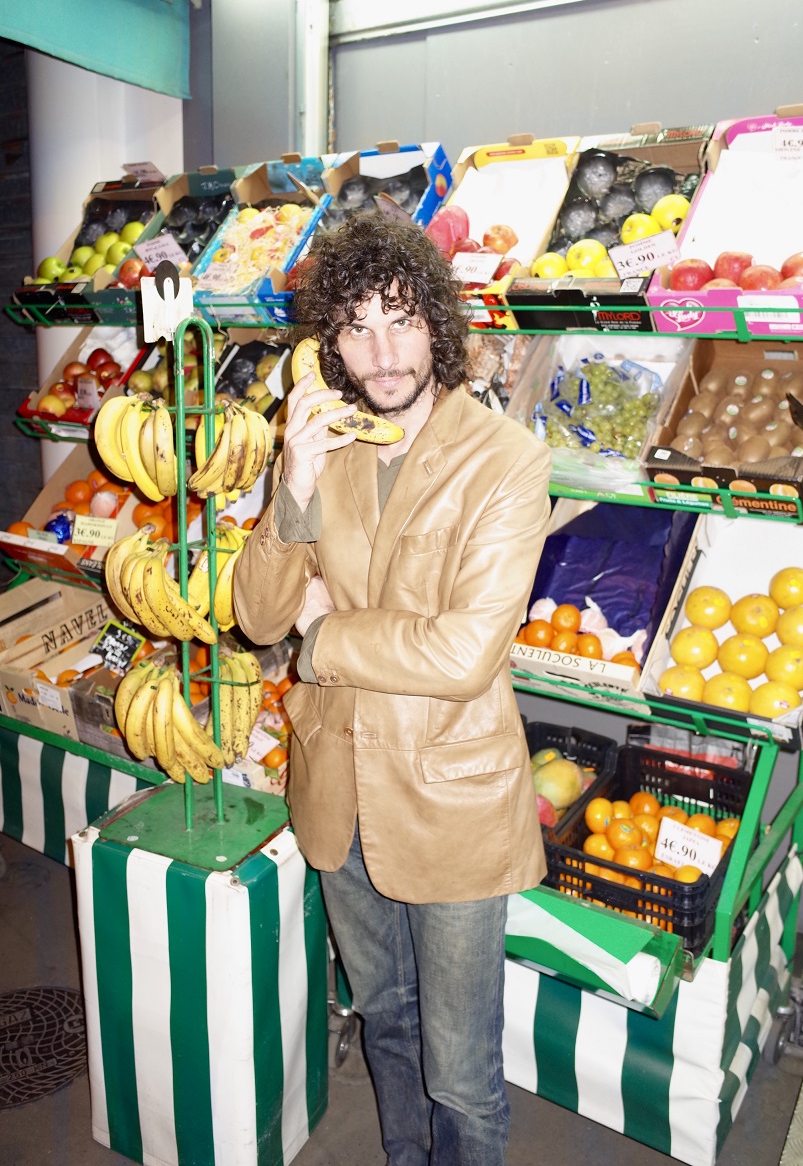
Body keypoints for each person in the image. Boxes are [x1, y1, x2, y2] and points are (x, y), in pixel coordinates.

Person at [233, 211, 552, 1165]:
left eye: (403, 320)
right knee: (385, 1024)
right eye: (358, 325)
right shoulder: (327, 448)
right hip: (338, 791)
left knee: (459, 1070)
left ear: (438, 327)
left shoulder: (506, 461)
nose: (382, 350)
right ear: (331, 339)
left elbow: (462, 653)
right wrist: (292, 479)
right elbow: (255, 615)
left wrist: (325, 630)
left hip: (450, 802)